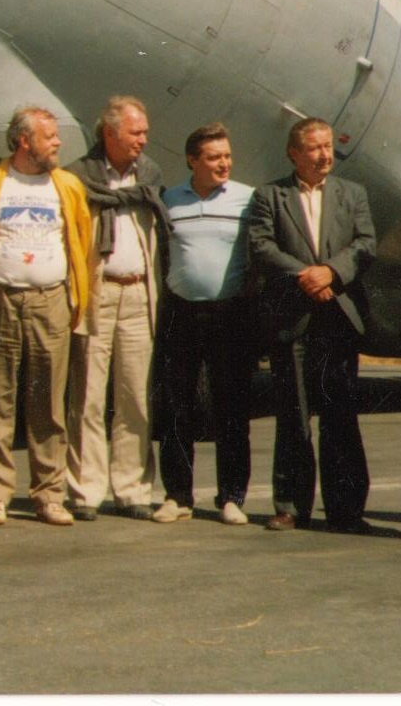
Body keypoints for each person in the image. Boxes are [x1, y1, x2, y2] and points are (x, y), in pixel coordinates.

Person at [248, 117, 377, 535]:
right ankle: (290, 506)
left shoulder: (352, 194)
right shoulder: (271, 195)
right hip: (293, 319)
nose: (325, 155)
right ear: (293, 153)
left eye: (328, 147)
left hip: (338, 319)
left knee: (340, 416)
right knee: (293, 415)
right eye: (315, 148)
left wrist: (331, 274)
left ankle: (346, 510)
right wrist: (308, 275)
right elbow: (261, 245)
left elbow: (365, 244)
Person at [0, 106, 93, 526]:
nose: (58, 143)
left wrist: (77, 299)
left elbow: (82, 242)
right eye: (50, 136)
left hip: (50, 299)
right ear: (24, 141)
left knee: (48, 403)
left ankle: (48, 494)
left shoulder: (67, 186)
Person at [64, 96, 167, 522]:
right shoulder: (77, 177)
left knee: (134, 395)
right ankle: (86, 491)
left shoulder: (149, 175)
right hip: (97, 293)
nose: (143, 140)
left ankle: (132, 489)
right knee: (87, 395)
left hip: (139, 292)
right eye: (135, 132)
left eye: (144, 132)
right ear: (109, 134)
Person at [157, 122, 257, 524]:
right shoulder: (170, 199)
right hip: (180, 313)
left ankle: (232, 497)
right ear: (192, 160)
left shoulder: (247, 199)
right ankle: (177, 496)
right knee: (176, 408)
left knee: (231, 409)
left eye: (227, 156)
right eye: (214, 157)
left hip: (229, 314)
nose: (224, 164)